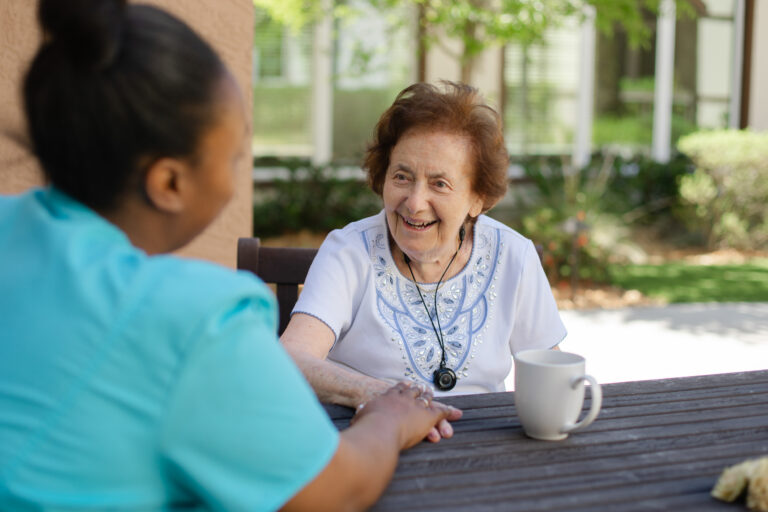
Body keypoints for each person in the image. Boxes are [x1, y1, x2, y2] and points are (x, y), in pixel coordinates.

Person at [0, 1, 461, 511]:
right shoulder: (195, 321)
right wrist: (389, 418)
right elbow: (336, 490)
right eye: (236, 153)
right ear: (171, 182)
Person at [282, 81, 566, 409]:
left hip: (484, 449)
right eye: (402, 177)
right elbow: (292, 358)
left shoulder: (513, 255)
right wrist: (380, 397)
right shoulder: (349, 252)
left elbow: (550, 375)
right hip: (375, 442)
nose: (415, 203)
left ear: (478, 198)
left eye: (439, 184)